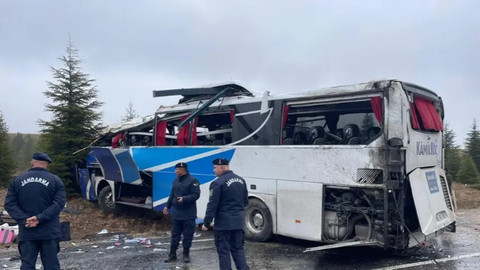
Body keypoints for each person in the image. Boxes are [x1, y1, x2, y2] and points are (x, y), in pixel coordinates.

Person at [4, 152, 66, 270]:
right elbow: (59, 204)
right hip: (49, 232)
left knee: (27, 264)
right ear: (47, 164)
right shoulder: (55, 180)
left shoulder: (17, 181)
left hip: (27, 231)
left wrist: (24, 219)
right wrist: (39, 218)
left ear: (32, 163)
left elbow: (9, 204)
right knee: (51, 265)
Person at [202, 158, 249, 270]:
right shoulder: (241, 180)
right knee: (238, 248)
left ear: (222, 167)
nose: (213, 170)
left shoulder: (217, 183)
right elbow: (245, 202)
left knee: (223, 251)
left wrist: (206, 223)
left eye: (215, 168)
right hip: (238, 222)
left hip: (223, 224)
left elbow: (212, 205)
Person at [163, 162, 200, 263]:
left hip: (188, 213)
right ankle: (172, 254)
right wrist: (167, 206)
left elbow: (196, 195)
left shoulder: (193, 181)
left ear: (183, 170)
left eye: (177, 169)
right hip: (177, 213)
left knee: (188, 235)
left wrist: (184, 198)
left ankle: (186, 254)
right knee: (175, 235)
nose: (175, 171)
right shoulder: (176, 180)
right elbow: (172, 194)